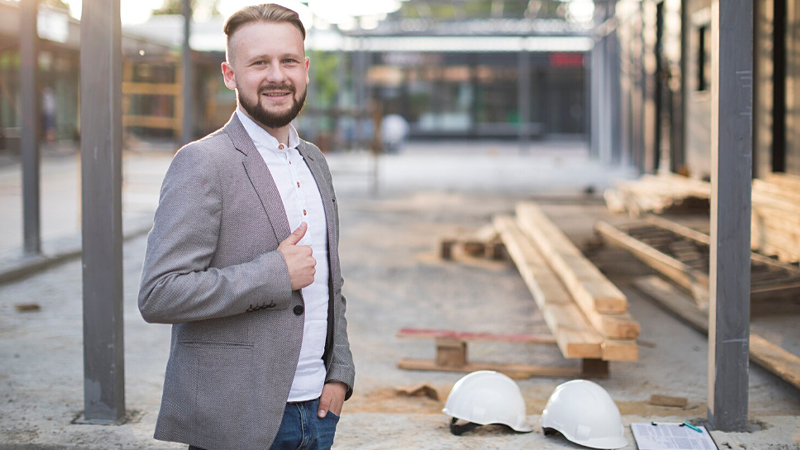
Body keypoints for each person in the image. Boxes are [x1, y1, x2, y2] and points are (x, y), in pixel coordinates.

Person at [137, 4, 355, 449]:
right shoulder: (203, 163)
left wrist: (340, 373)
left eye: (288, 61)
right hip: (235, 417)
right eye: (259, 63)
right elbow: (159, 293)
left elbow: (331, 286)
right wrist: (275, 273)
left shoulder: (314, 160)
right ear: (230, 74)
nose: (277, 76)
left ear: (306, 69)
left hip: (318, 412)